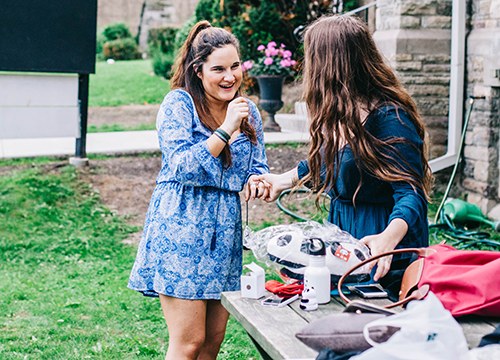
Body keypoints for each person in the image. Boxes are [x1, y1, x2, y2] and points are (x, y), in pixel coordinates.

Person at [127, 20, 269, 360]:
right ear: (199, 70)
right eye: (218, 68)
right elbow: (183, 168)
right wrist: (224, 130)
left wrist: (257, 179)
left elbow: (257, 164)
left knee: (211, 344)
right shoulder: (179, 104)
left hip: (226, 234)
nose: (229, 76)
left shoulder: (248, 112)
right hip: (182, 227)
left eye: (234, 66)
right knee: (189, 342)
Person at [255, 14, 431, 284]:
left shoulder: (390, 118)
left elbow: (411, 192)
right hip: (343, 234)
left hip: (379, 240)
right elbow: (331, 163)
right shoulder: (340, 112)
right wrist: (280, 181)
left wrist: (388, 238)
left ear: (330, 65)